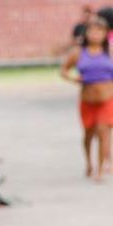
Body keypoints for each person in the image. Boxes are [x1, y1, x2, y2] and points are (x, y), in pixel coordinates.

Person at [60, 15, 113, 180]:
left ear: (105, 34)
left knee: (103, 131)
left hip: (107, 98)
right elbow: (63, 71)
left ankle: (101, 169)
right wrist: (74, 79)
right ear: (87, 33)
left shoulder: (110, 52)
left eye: (100, 31)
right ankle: (89, 163)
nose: (96, 34)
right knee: (89, 134)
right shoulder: (78, 53)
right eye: (92, 31)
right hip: (87, 100)